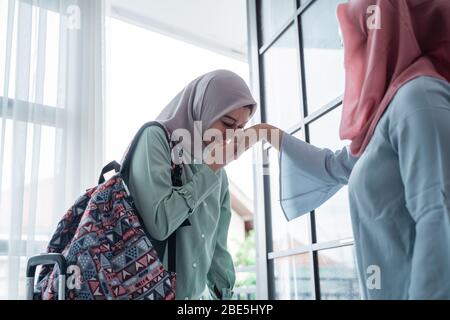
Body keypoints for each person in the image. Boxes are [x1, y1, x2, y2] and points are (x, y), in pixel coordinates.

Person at [245, 0, 450, 299]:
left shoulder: (418, 98)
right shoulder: (388, 115)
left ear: (386, 38)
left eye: (357, 41)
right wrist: (266, 134)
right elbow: (333, 166)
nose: (348, 57)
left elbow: (440, 219)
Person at [127, 70, 257, 300]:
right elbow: (160, 222)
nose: (232, 137)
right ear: (203, 110)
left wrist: (225, 296)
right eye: (228, 123)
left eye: (241, 127)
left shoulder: (218, 174)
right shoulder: (155, 139)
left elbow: (217, 248)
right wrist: (211, 170)